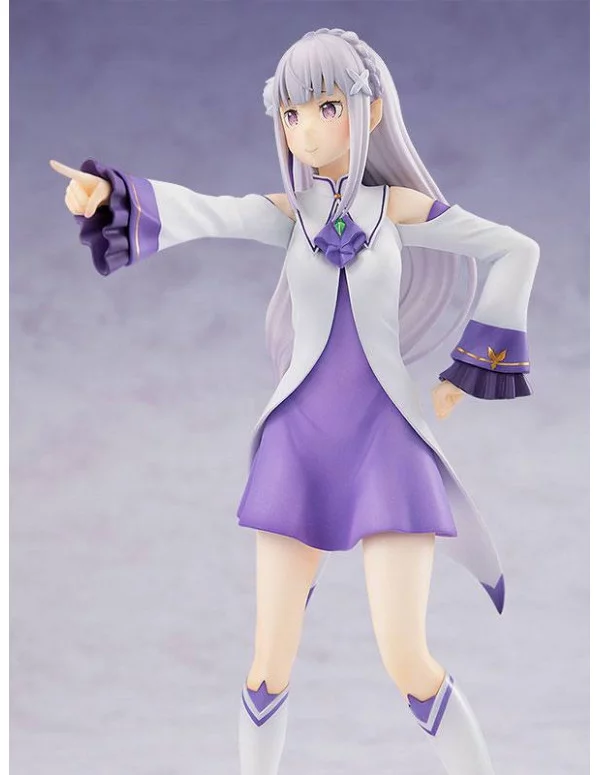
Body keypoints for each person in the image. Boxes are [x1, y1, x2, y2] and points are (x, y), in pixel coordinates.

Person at [50, 27, 539, 775]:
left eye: (326, 107)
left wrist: (468, 370)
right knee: (267, 663)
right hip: (299, 443)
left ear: (370, 111)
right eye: (291, 113)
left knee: (408, 660)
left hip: (387, 443)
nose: (306, 129)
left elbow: (515, 248)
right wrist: (111, 196)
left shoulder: (399, 208)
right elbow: (206, 212)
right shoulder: (289, 212)